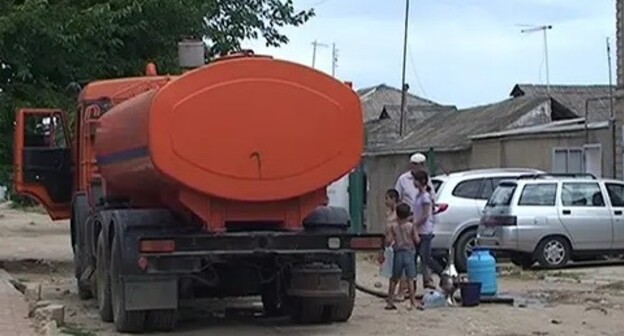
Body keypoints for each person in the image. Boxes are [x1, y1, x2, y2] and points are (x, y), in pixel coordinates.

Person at [384, 203, 421, 311]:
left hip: (398, 253)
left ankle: (390, 301)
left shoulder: (393, 227)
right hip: (409, 252)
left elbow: (388, 241)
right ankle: (413, 302)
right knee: (410, 278)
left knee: (394, 278)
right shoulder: (411, 226)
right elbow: (417, 239)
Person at [412, 170, 444, 289]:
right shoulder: (418, 196)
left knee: (425, 257)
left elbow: (425, 215)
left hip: (424, 231)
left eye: (416, 180)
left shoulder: (425, 197)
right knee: (415, 257)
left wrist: (415, 224)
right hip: (418, 230)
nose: (414, 182)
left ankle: (442, 273)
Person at [382, 189, 409, 300]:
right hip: (389, 243)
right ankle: (392, 293)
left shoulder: (399, 213)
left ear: (393, 199)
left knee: (399, 269)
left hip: (397, 243)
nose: (385, 201)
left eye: (387, 198)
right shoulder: (389, 213)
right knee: (391, 270)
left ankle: (401, 292)